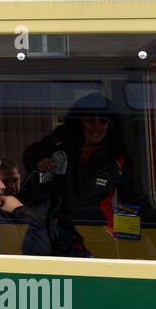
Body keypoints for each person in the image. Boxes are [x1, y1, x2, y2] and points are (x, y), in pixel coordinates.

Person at [22, 91, 148, 239]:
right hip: (56, 231)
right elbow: (30, 154)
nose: (96, 127)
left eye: (103, 121)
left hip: (99, 235)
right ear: (78, 122)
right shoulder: (59, 143)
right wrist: (39, 160)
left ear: (111, 125)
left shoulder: (117, 159)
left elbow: (136, 200)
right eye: (90, 120)